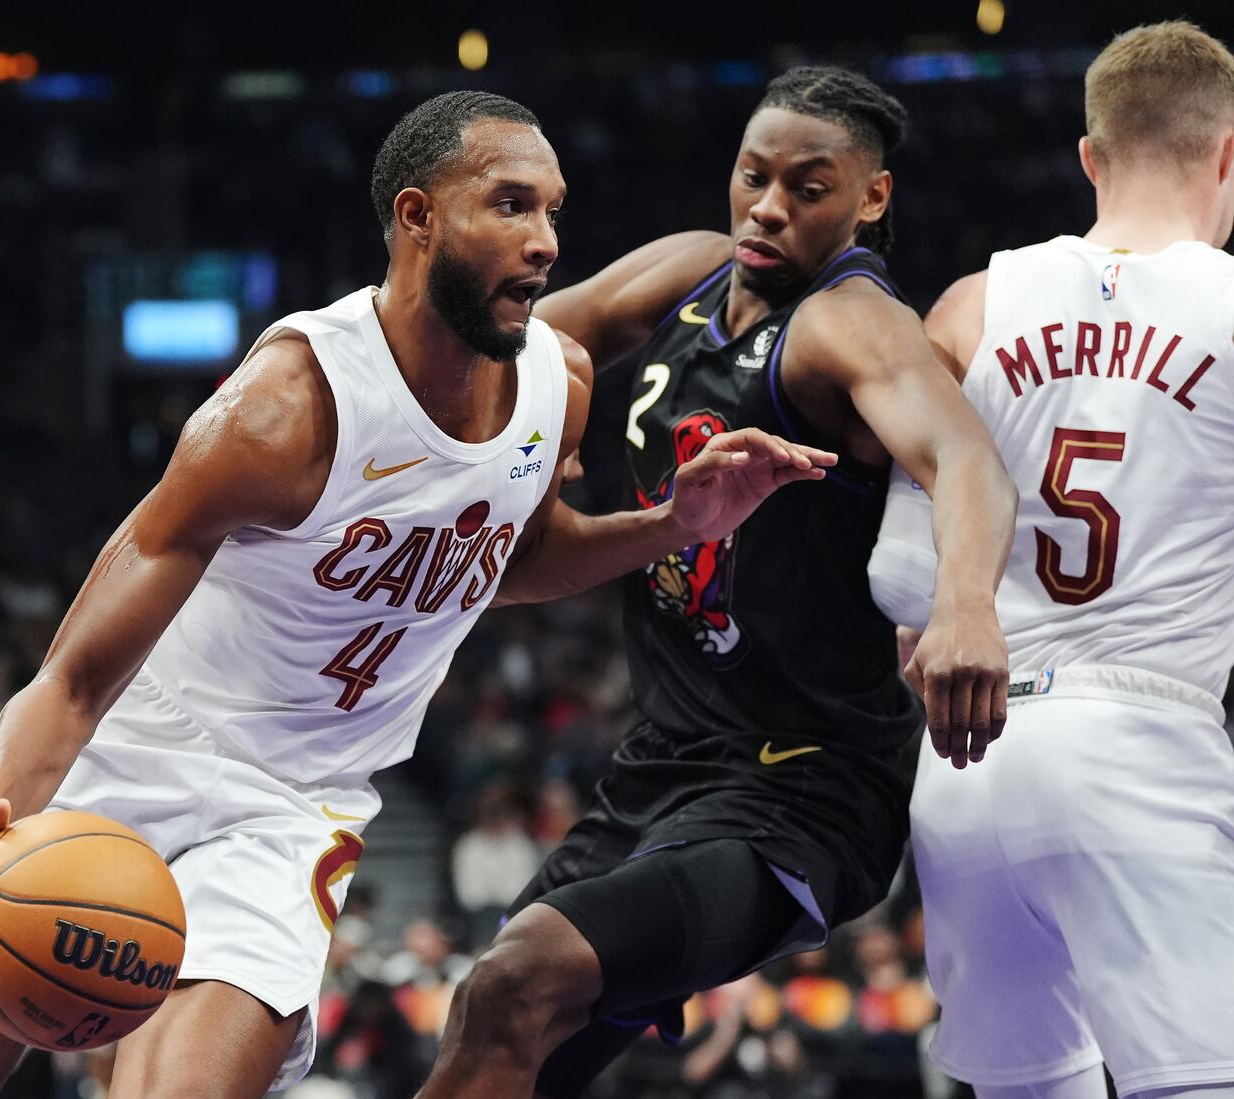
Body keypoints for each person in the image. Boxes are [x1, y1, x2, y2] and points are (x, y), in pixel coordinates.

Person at [0, 91, 829, 1099]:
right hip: (136, 760)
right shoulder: (280, 413)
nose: (545, 240)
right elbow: (75, 678)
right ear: (417, 217)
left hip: (291, 808)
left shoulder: (558, 385)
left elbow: (510, 562)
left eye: (551, 210)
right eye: (509, 205)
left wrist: (672, 528)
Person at [414, 67, 1017, 1099]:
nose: (769, 206)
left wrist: (964, 604)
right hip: (662, 762)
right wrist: (545, 426)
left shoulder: (849, 324)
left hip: (801, 785)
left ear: (869, 198)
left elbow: (967, 461)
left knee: (516, 984)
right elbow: (538, 336)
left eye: (808, 187)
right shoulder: (691, 271)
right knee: (499, 1028)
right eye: (753, 175)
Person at [869, 22, 1234, 1099]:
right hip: (1142, 743)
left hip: (971, 759)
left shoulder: (970, 307)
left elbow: (899, 581)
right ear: (1227, 154)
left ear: (1089, 156)